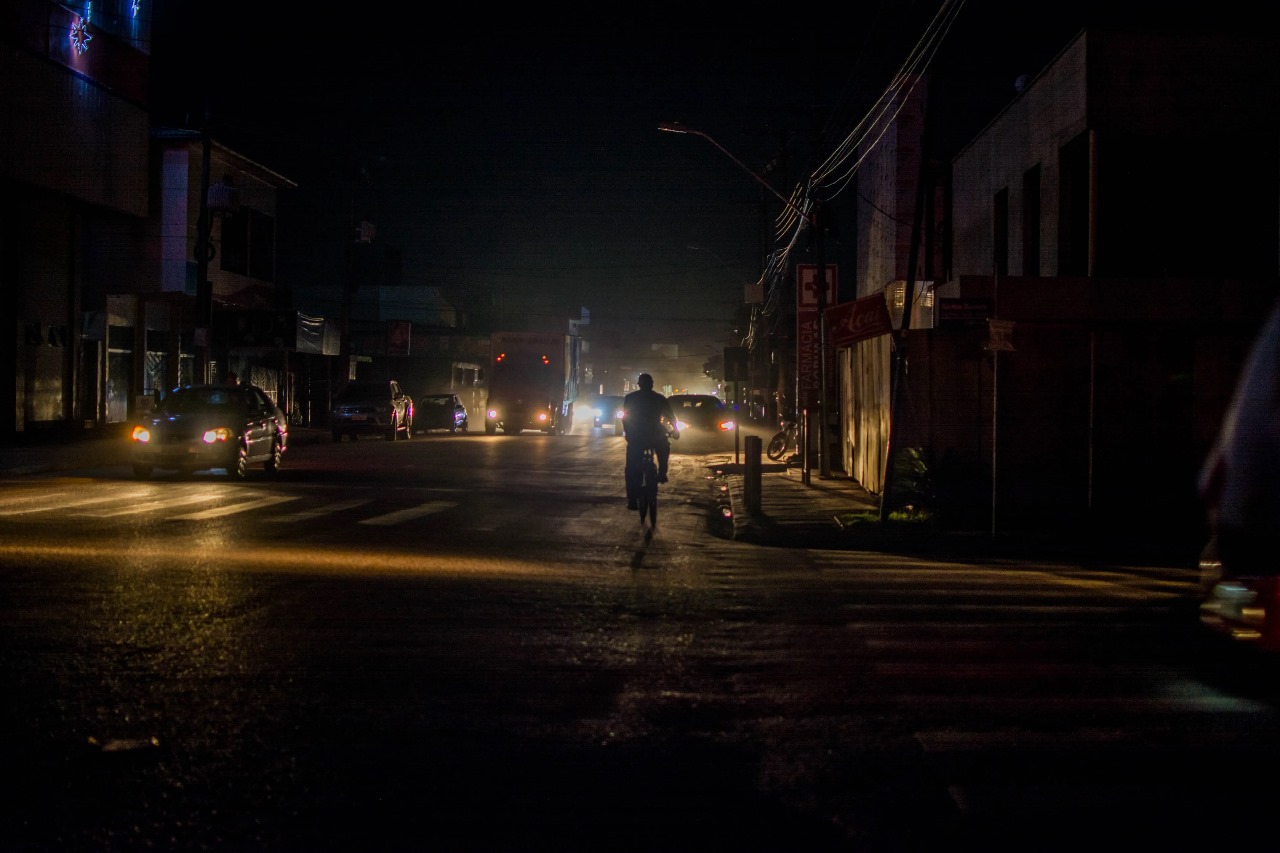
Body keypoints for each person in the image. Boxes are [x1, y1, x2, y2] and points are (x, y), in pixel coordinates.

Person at [622, 373, 677, 510]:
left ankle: (632, 499)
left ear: (639, 384)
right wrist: (675, 430)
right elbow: (671, 416)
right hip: (655, 434)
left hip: (636, 436)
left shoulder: (630, 398)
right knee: (664, 448)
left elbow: (625, 418)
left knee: (631, 469)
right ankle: (662, 473)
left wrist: (629, 433)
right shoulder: (659, 398)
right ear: (651, 384)